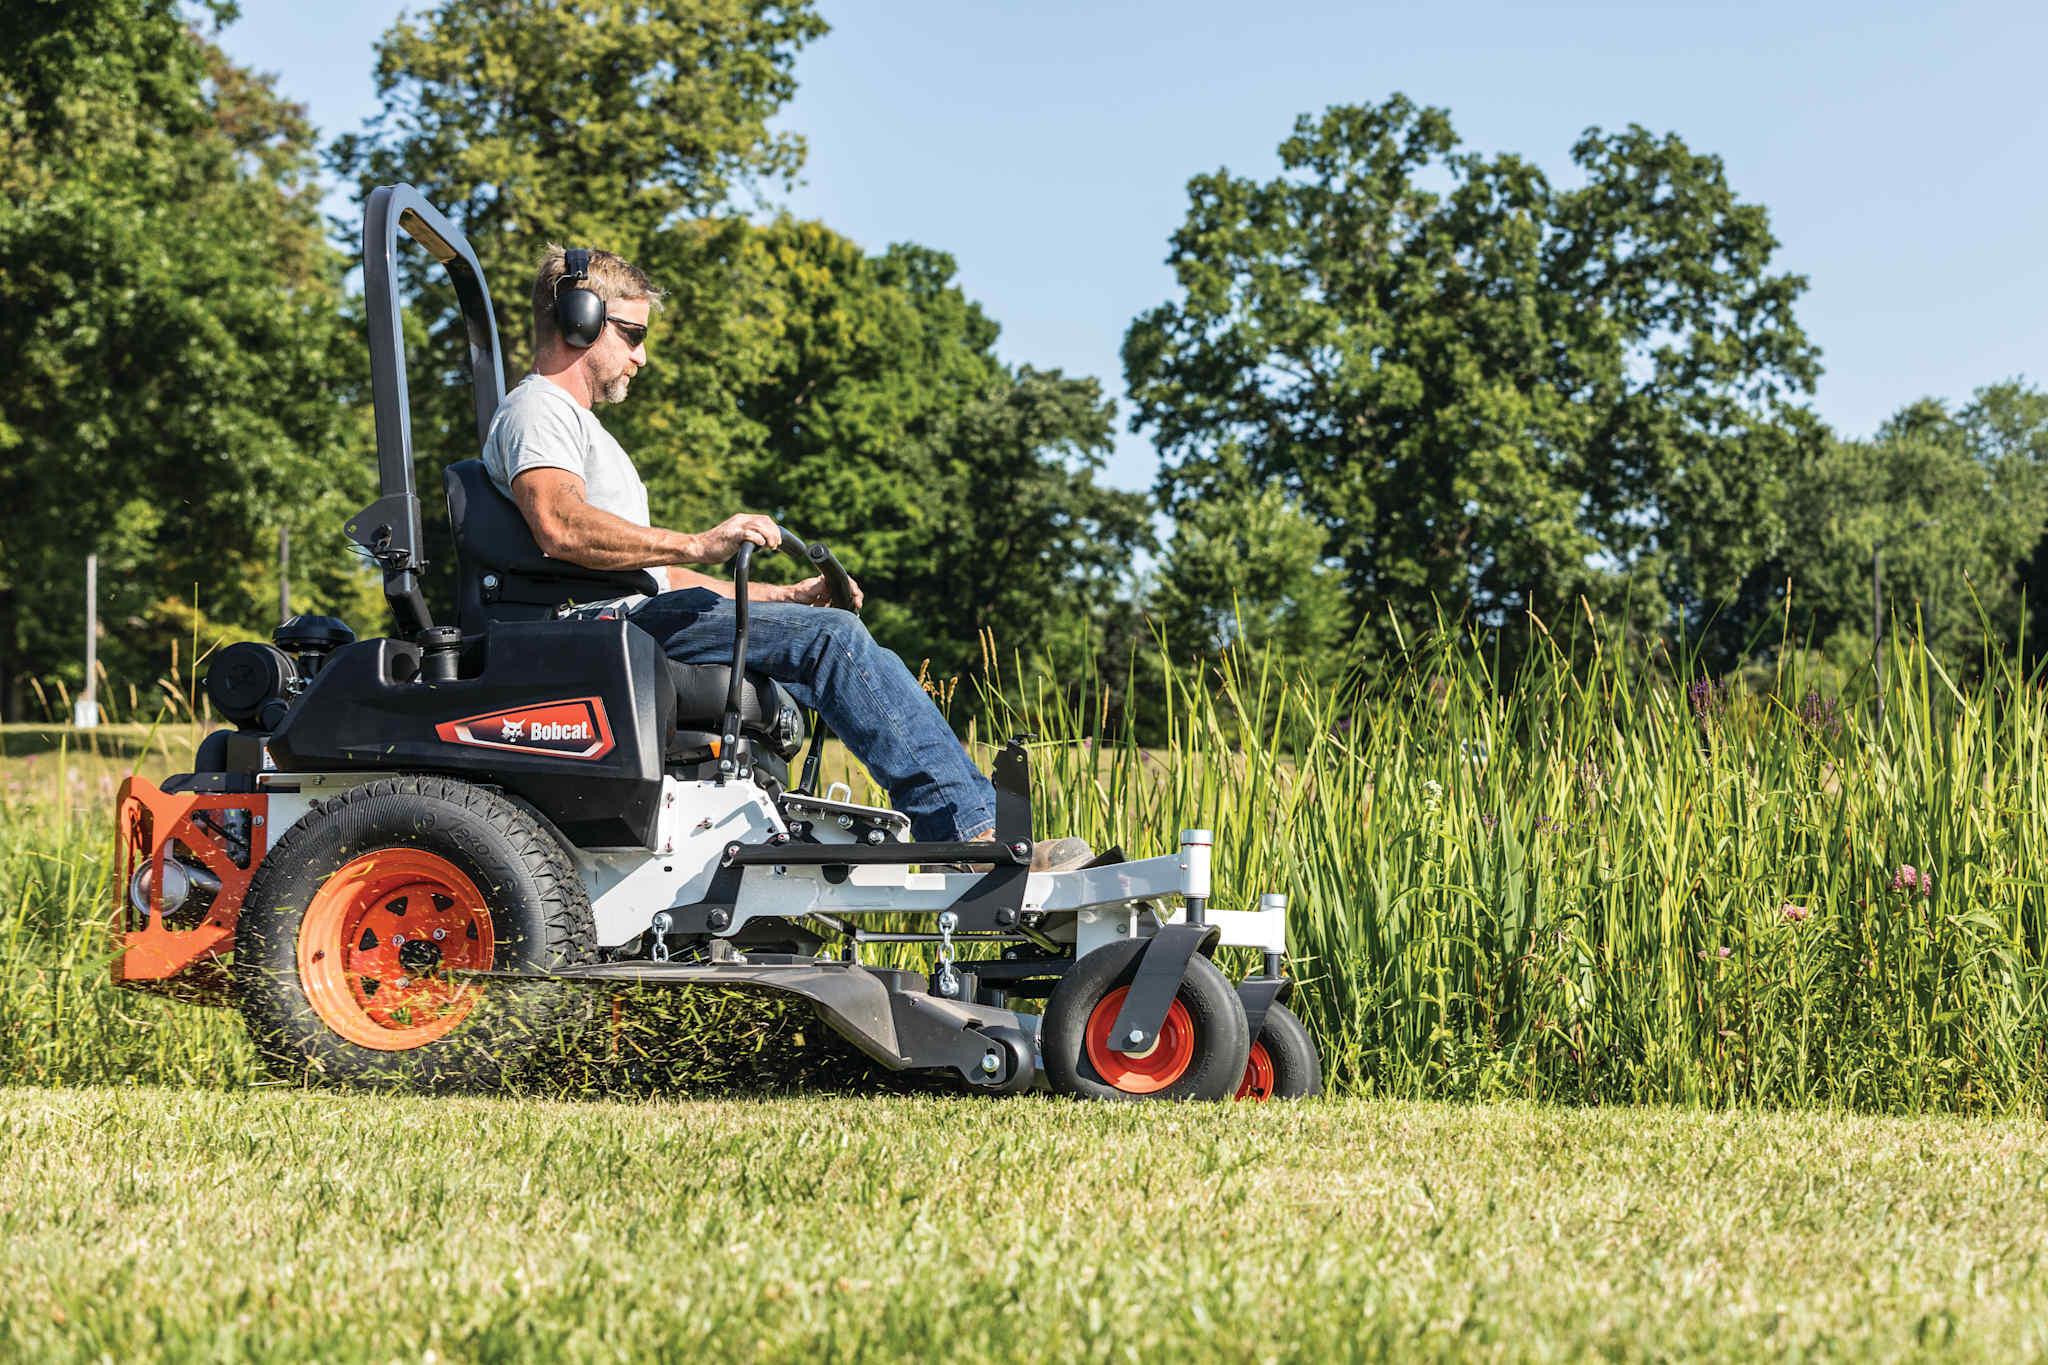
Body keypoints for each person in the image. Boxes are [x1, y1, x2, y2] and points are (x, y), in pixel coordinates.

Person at [480, 244, 1086, 867]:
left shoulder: (576, 426)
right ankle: (974, 832)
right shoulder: (538, 410)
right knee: (835, 642)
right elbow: (559, 522)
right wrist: (701, 542)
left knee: (822, 631)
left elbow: (654, 578)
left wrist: (786, 597)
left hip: (627, 620)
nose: (641, 355)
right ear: (579, 320)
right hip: (597, 631)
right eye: (631, 333)